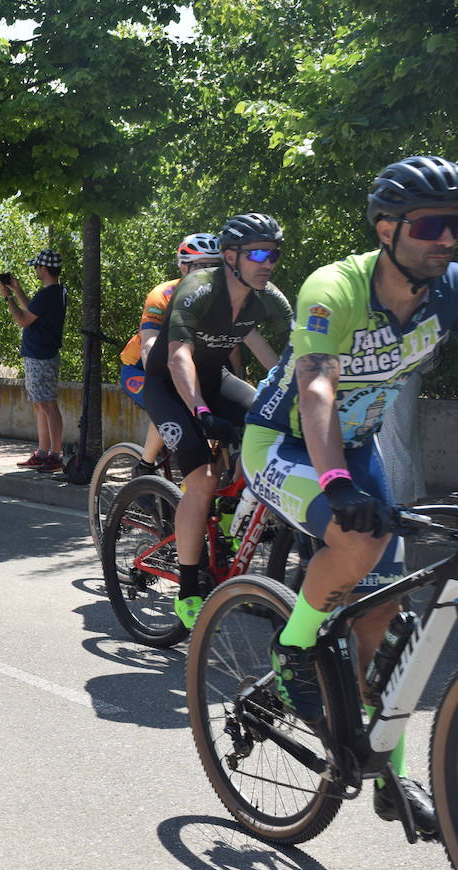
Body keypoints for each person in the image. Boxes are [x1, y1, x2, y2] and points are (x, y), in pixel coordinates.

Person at [244, 156, 458, 835]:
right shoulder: (334, 288)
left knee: (384, 611)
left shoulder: (448, 291)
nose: (446, 240)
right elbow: (315, 389)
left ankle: (383, 766)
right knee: (360, 543)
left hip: (357, 448)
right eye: (430, 225)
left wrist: (348, 469)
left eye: (456, 226)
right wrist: (335, 484)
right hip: (284, 443)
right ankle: (293, 652)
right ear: (386, 227)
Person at [142, 213, 292, 627]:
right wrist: (201, 411)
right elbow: (177, 357)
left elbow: (298, 349)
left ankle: (232, 506)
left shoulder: (266, 297)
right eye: (259, 253)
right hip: (168, 386)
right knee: (203, 478)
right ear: (230, 256)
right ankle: (189, 588)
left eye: (274, 254)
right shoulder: (197, 289)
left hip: (215, 379)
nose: (268, 262)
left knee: (273, 421)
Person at [118, 233, 223, 470]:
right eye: (202, 266)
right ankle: (144, 464)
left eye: (216, 266)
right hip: (139, 368)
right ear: (183, 267)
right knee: (172, 399)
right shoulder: (163, 295)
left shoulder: (221, 298)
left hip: (186, 364)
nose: (210, 273)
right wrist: (166, 382)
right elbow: (149, 345)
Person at [0, 248, 67, 472]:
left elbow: (23, 319)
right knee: (41, 405)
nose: (35, 270)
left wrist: (8, 297)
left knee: (47, 405)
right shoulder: (54, 292)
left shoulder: (49, 294)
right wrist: (17, 289)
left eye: (37, 266)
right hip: (40, 355)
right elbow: (31, 309)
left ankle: (55, 455)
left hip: (41, 356)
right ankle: (43, 452)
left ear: (44, 269)